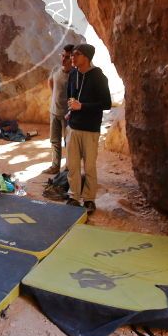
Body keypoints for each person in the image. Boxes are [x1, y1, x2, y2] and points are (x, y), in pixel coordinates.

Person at [65, 43, 111, 213]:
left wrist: (82, 106)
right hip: (73, 127)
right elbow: (69, 97)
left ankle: (89, 199)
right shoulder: (73, 74)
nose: (72, 57)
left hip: (90, 129)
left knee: (89, 166)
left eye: (76, 54)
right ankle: (73, 197)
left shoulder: (99, 76)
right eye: (72, 54)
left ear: (86, 57)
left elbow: (106, 104)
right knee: (73, 165)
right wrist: (70, 110)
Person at [44, 44, 75, 175]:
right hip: (54, 111)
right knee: (54, 140)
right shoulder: (56, 69)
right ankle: (55, 166)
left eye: (67, 57)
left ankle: (68, 168)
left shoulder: (75, 74)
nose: (63, 59)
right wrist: (53, 96)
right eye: (62, 56)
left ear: (72, 58)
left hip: (67, 114)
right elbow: (50, 81)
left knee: (68, 142)